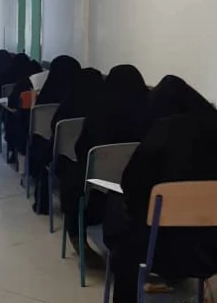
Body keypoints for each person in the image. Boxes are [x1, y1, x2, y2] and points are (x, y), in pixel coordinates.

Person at [104, 77, 217, 303]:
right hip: (212, 249)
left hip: (160, 250)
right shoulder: (216, 128)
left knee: (120, 213)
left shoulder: (162, 132)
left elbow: (131, 184)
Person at [59, 64, 150, 247]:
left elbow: (81, 148)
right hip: (138, 189)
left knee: (72, 180)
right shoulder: (150, 113)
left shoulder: (99, 110)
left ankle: (76, 235)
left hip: (97, 188)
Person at [32, 68, 104, 213]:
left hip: (65, 159)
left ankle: (42, 204)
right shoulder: (102, 109)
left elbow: (54, 126)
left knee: (44, 156)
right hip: (98, 164)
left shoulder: (69, 103)